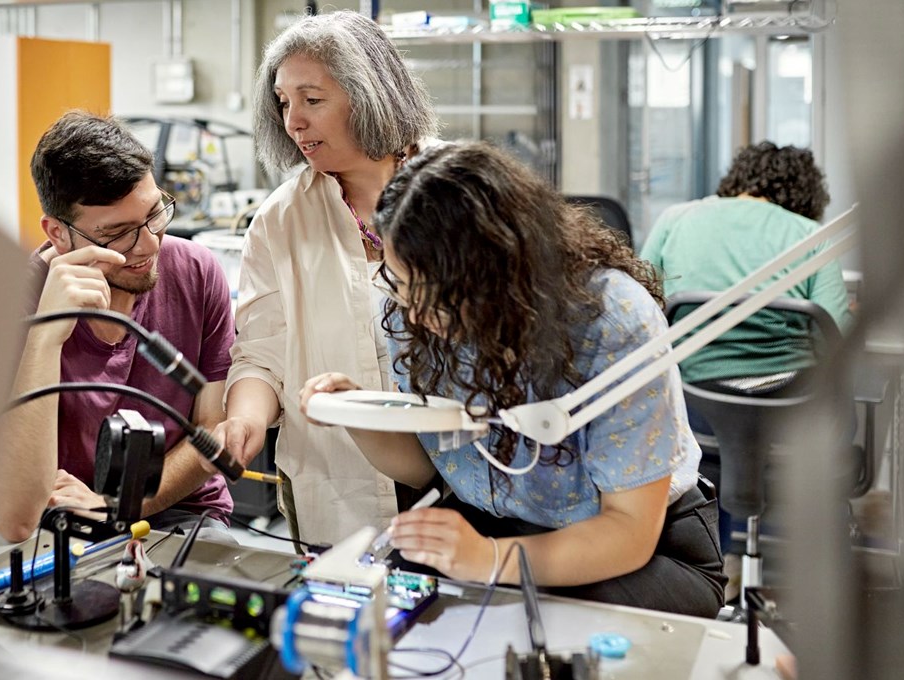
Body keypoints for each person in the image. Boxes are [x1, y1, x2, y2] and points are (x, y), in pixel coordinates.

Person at [301, 142, 726, 617]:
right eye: (401, 284)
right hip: (491, 527)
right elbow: (430, 467)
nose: (413, 311)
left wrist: (490, 559)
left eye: (433, 293)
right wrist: (358, 414)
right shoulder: (408, 312)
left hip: (640, 547)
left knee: (534, 629)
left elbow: (628, 531)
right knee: (392, 612)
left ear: (495, 272)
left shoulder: (611, 321)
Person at [216, 10, 439, 546]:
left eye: (312, 100)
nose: (293, 121)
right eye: (284, 103)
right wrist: (244, 422)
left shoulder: (457, 191)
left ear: (372, 96)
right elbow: (262, 352)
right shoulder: (281, 219)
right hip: (337, 487)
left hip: (460, 482)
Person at [0, 111, 236, 544]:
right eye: (117, 233)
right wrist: (45, 339)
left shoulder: (196, 271)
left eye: (156, 214)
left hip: (181, 511)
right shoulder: (12, 303)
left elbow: (212, 430)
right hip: (61, 524)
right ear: (58, 235)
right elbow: (15, 517)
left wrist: (115, 506)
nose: (149, 245)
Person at [639, 141, 851, 386]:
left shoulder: (674, 219)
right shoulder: (811, 235)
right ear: (806, 196)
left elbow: (640, 306)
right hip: (791, 401)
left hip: (695, 396)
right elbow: (838, 335)